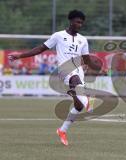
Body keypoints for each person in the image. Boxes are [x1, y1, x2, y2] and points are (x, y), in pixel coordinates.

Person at [8, 10, 102, 146]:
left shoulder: (83, 40)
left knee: (80, 105)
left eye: (81, 23)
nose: (79, 25)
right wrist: (20, 55)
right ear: (71, 21)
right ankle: (76, 93)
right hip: (65, 69)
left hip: (78, 70)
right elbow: (40, 49)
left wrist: (99, 68)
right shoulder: (58, 36)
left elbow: (87, 60)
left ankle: (62, 130)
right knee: (83, 95)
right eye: (77, 22)